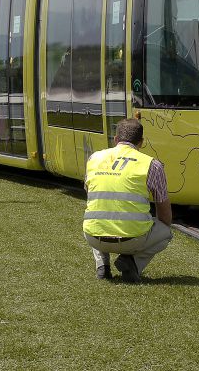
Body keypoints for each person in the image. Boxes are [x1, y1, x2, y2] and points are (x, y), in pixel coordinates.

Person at [82, 118, 172, 282]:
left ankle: (102, 265)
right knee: (165, 233)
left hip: (94, 237)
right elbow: (165, 216)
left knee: (97, 213)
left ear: (116, 139)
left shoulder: (94, 158)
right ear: (142, 142)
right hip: (134, 240)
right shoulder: (152, 165)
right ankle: (133, 263)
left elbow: (91, 196)